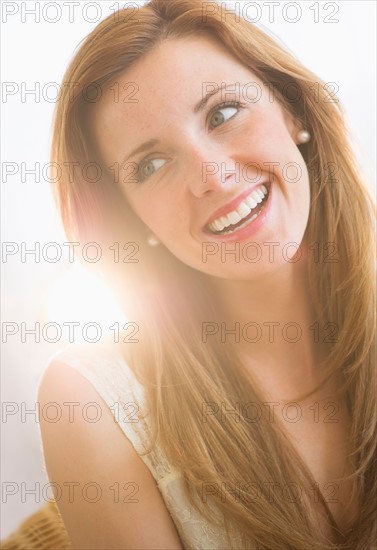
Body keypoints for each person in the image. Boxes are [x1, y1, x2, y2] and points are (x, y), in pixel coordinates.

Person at [38, 0, 376, 548]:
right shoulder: (92, 402)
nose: (213, 176)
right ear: (130, 215)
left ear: (293, 110)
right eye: (150, 164)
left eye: (222, 113)